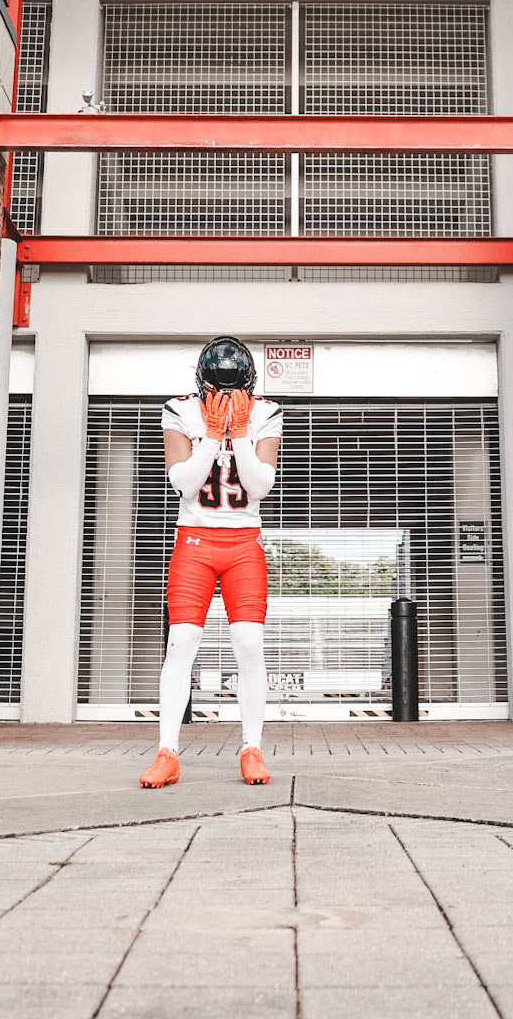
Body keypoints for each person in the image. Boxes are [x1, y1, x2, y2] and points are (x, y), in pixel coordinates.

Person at [140, 337, 281, 789]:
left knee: (249, 645)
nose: (223, 397)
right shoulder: (180, 410)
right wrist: (213, 436)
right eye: (216, 391)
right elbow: (183, 483)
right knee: (180, 643)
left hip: (243, 543)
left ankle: (252, 748)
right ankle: (167, 752)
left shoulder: (265, 412)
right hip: (195, 540)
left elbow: (260, 487)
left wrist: (236, 434)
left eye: (231, 390)